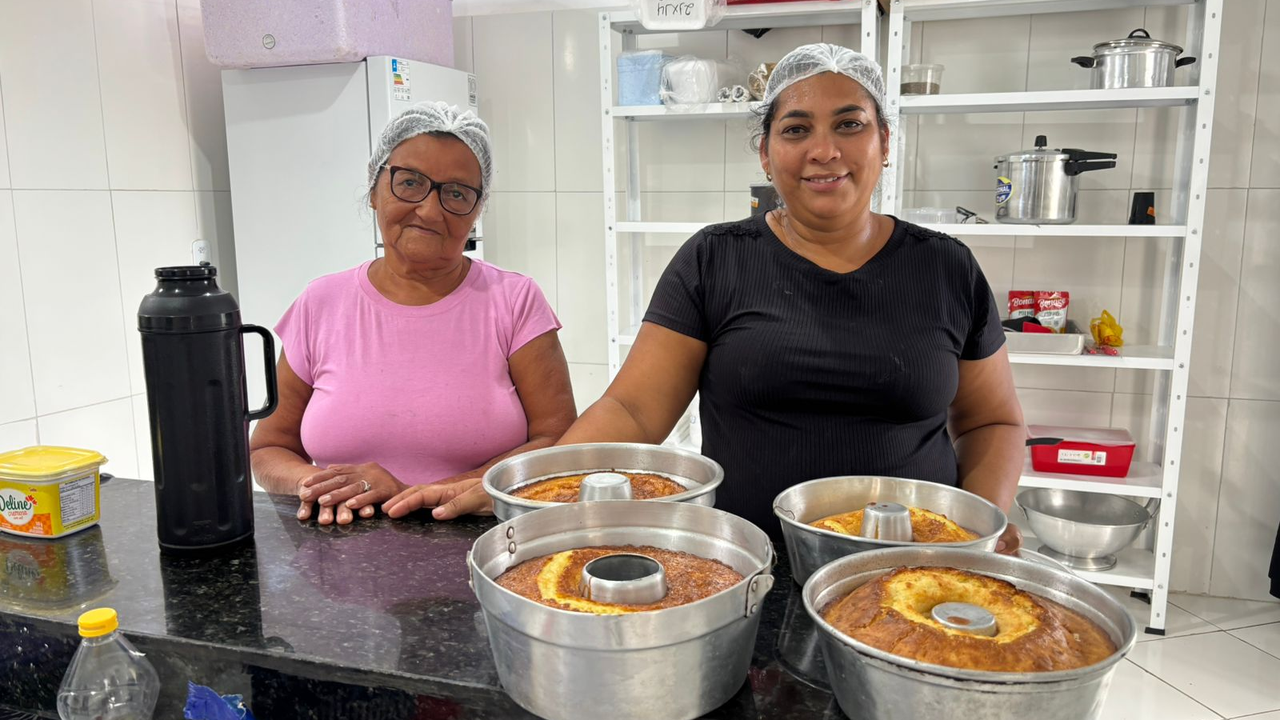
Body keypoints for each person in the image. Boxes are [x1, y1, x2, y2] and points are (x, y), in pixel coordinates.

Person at [430, 44, 1027, 553]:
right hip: (748, 565)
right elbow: (635, 412)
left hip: (913, 567)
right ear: (766, 153)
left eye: (850, 124)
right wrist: (522, 486)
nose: (824, 150)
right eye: (796, 129)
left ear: (885, 141)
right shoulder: (716, 260)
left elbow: (991, 419)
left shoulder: (945, 267)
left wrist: (983, 523)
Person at [249, 102, 577, 525]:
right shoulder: (320, 303)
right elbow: (269, 447)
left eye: (457, 193)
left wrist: (431, 493)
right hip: (338, 560)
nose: (429, 210)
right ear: (374, 189)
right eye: (410, 183)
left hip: (482, 547)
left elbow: (557, 441)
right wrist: (318, 486)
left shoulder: (514, 301)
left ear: (477, 211)